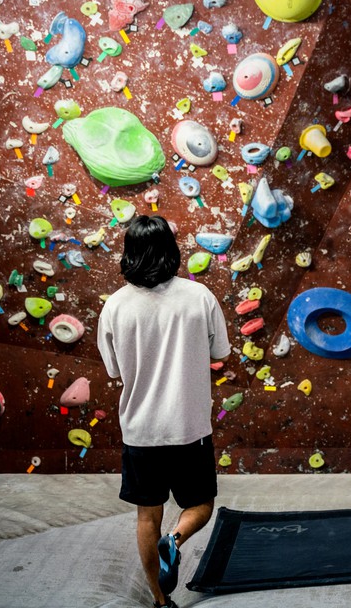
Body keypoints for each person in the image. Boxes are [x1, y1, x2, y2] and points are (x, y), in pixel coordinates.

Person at [97, 215, 230, 608]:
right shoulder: (200, 296)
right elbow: (220, 352)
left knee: (146, 518)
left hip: (140, 431)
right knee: (201, 505)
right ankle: (175, 539)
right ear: (172, 251)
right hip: (189, 428)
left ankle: (159, 600)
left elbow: (114, 370)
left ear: (129, 253)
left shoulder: (115, 307)